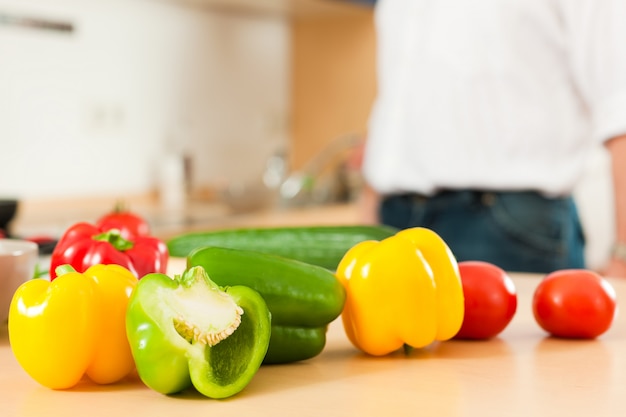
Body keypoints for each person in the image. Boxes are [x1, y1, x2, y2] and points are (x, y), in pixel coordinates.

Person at [359, 0, 626, 276]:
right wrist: (369, 201)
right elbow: (398, 97)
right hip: (394, 221)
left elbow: (621, 105)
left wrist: (624, 256)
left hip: (507, 226)